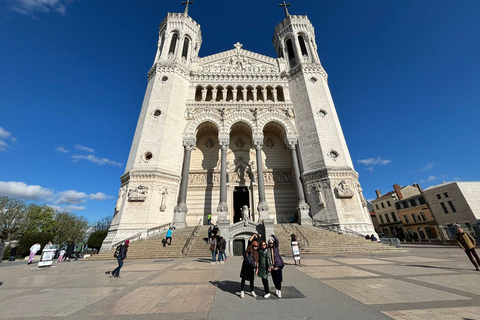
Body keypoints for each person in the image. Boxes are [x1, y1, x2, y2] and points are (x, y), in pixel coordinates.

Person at [239, 234, 259, 299]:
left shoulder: (256, 252)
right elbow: (249, 241)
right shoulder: (249, 249)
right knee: (243, 278)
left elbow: (257, 261)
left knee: (252, 279)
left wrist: (256, 269)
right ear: (253, 246)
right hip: (245, 265)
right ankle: (242, 291)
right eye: (255, 246)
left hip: (251, 266)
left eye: (257, 246)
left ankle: (252, 291)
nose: (256, 247)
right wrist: (253, 235)